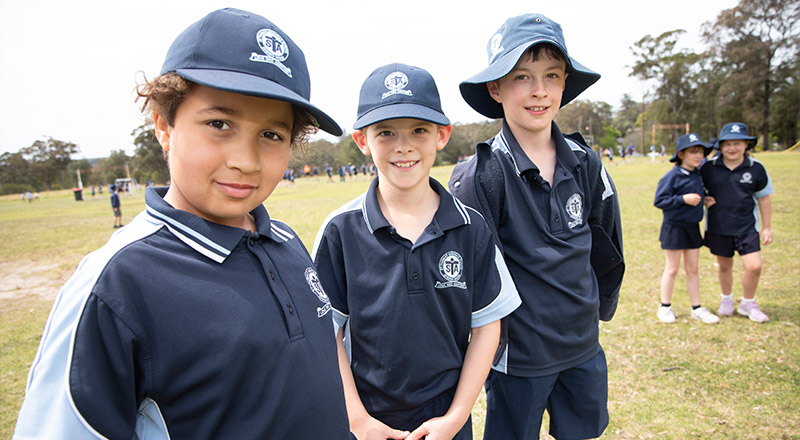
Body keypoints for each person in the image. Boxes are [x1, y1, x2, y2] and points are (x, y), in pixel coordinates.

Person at [13, 8, 353, 439]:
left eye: (271, 134)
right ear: (163, 126)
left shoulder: (285, 240)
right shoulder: (116, 284)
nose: (246, 161)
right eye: (219, 124)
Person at [313, 63, 521, 440]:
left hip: (446, 420)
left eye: (419, 130)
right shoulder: (340, 230)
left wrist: (455, 417)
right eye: (386, 132)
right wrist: (358, 420)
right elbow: (326, 331)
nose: (403, 146)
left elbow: (487, 325)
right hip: (368, 421)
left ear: (442, 135)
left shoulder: (470, 227)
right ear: (362, 140)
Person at [450, 14, 624, 439]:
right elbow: (473, 277)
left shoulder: (586, 162)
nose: (539, 90)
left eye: (551, 75)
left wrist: (597, 309)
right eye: (522, 77)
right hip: (519, 358)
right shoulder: (480, 175)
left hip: (582, 346)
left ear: (564, 83)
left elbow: (606, 242)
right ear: (496, 88)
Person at [702, 122, 773, 323]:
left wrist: (766, 228)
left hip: (747, 227)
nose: (732, 148)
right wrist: (704, 198)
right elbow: (697, 190)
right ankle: (726, 300)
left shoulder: (755, 168)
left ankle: (748, 303)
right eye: (727, 144)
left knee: (754, 266)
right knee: (724, 266)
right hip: (719, 226)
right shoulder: (709, 168)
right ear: (720, 146)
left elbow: (764, 198)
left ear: (746, 145)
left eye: (737, 143)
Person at [654, 133, 719, 324]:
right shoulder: (672, 176)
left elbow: (696, 193)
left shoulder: (698, 174)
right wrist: (683, 199)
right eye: (693, 152)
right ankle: (665, 306)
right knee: (672, 269)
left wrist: (704, 200)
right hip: (674, 228)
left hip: (692, 228)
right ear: (681, 154)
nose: (698, 156)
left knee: (693, 268)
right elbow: (660, 201)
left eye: (701, 152)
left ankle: (696, 308)